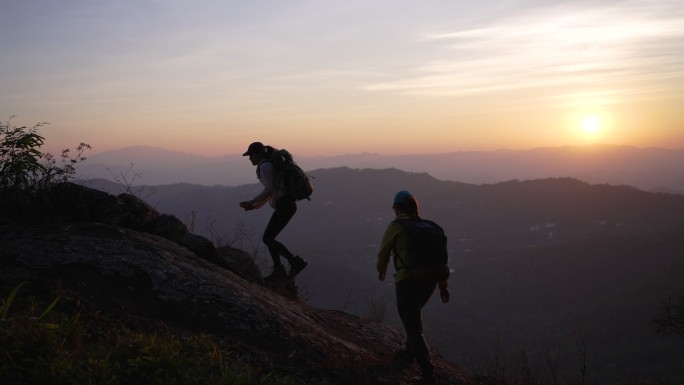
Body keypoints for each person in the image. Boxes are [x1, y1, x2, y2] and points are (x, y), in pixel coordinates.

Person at [377, 190, 450, 385]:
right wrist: (443, 287)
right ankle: (409, 353)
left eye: (394, 208)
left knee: (414, 328)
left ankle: (428, 375)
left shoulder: (396, 227)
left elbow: (383, 252)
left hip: (408, 281)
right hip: (431, 281)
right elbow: (440, 259)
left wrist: (381, 270)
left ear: (398, 208)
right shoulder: (430, 227)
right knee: (414, 317)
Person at [239, 141, 308, 281]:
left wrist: (253, 202)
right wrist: (255, 206)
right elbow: (271, 191)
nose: (249, 158)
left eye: (251, 155)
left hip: (285, 206)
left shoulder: (264, 166)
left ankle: (293, 262)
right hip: (287, 205)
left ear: (257, 154)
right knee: (269, 238)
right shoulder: (268, 164)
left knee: (268, 238)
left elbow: (269, 189)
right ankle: (279, 270)